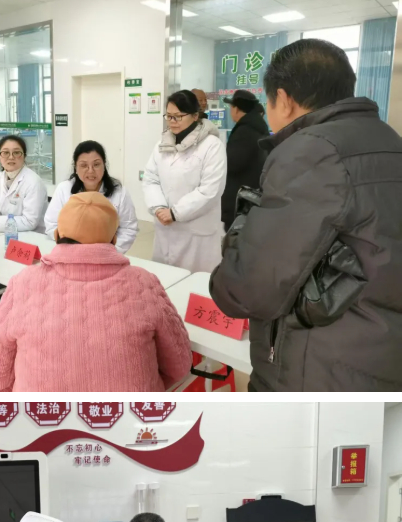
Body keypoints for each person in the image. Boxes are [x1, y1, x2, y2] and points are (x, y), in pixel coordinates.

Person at [210, 39, 402, 392]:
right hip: (381, 351)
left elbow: (248, 290)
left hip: (319, 368)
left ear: (283, 99)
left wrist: (237, 242)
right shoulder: (389, 140)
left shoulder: (311, 151)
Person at [0, 192, 191, 392]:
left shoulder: (23, 283)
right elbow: (179, 365)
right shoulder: (144, 283)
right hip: (132, 418)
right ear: (114, 240)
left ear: (57, 234)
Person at [143, 89, 227, 274]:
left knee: (195, 283)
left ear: (195, 116)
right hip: (166, 227)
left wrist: (175, 213)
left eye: (178, 116)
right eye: (169, 116)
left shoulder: (212, 146)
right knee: (165, 278)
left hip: (196, 233)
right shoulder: (162, 145)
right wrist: (158, 207)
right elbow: (150, 178)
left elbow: (210, 190)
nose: (172, 121)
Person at [45, 140, 138, 253]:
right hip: (71, 253)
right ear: (75, 167)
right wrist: (73, 249)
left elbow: (128, 229)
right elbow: (51, 224)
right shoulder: (64, 189)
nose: (90, 171)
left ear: (104, 165)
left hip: (106, 255)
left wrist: (109, 252)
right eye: (84, 165)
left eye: (96, 164)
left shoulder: (120, 192)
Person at [220, 90, 269, 230]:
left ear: (236, 109)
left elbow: (232, 164)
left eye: (231, 107)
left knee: (236, 238)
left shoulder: (244, 132)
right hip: (252, 199)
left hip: (239, 202)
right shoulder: (259, 128)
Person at [0, 135, 48, 233]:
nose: (11, 157)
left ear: (24, 156)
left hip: (31, 235)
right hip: (6, 232)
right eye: (5, 153)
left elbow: (29, 222)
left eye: (16, 153)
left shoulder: (34, 182)